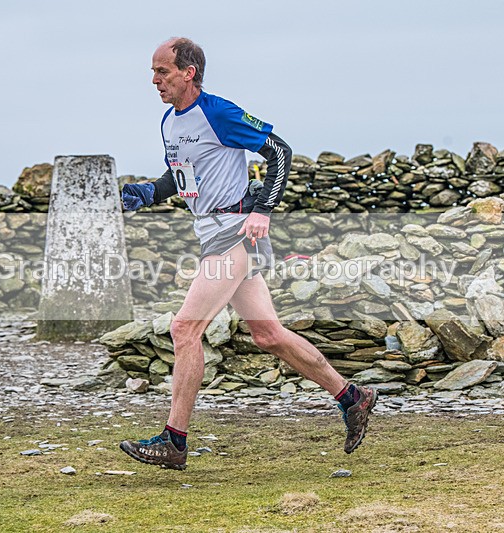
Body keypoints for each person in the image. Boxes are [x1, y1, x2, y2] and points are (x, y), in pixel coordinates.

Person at [118, 37, 377, 470]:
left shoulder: (219, 112)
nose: (154, 79)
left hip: (233, 233)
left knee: (184, 329)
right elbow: (181, 175)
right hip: (213, 232)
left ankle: (174, 441)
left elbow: (279, 151)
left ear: (189, 72)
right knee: (268, 335)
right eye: (153, 71)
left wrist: (262, 210)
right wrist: (147, 192)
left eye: (162, 71)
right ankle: (352, 397)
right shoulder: (170, 121)